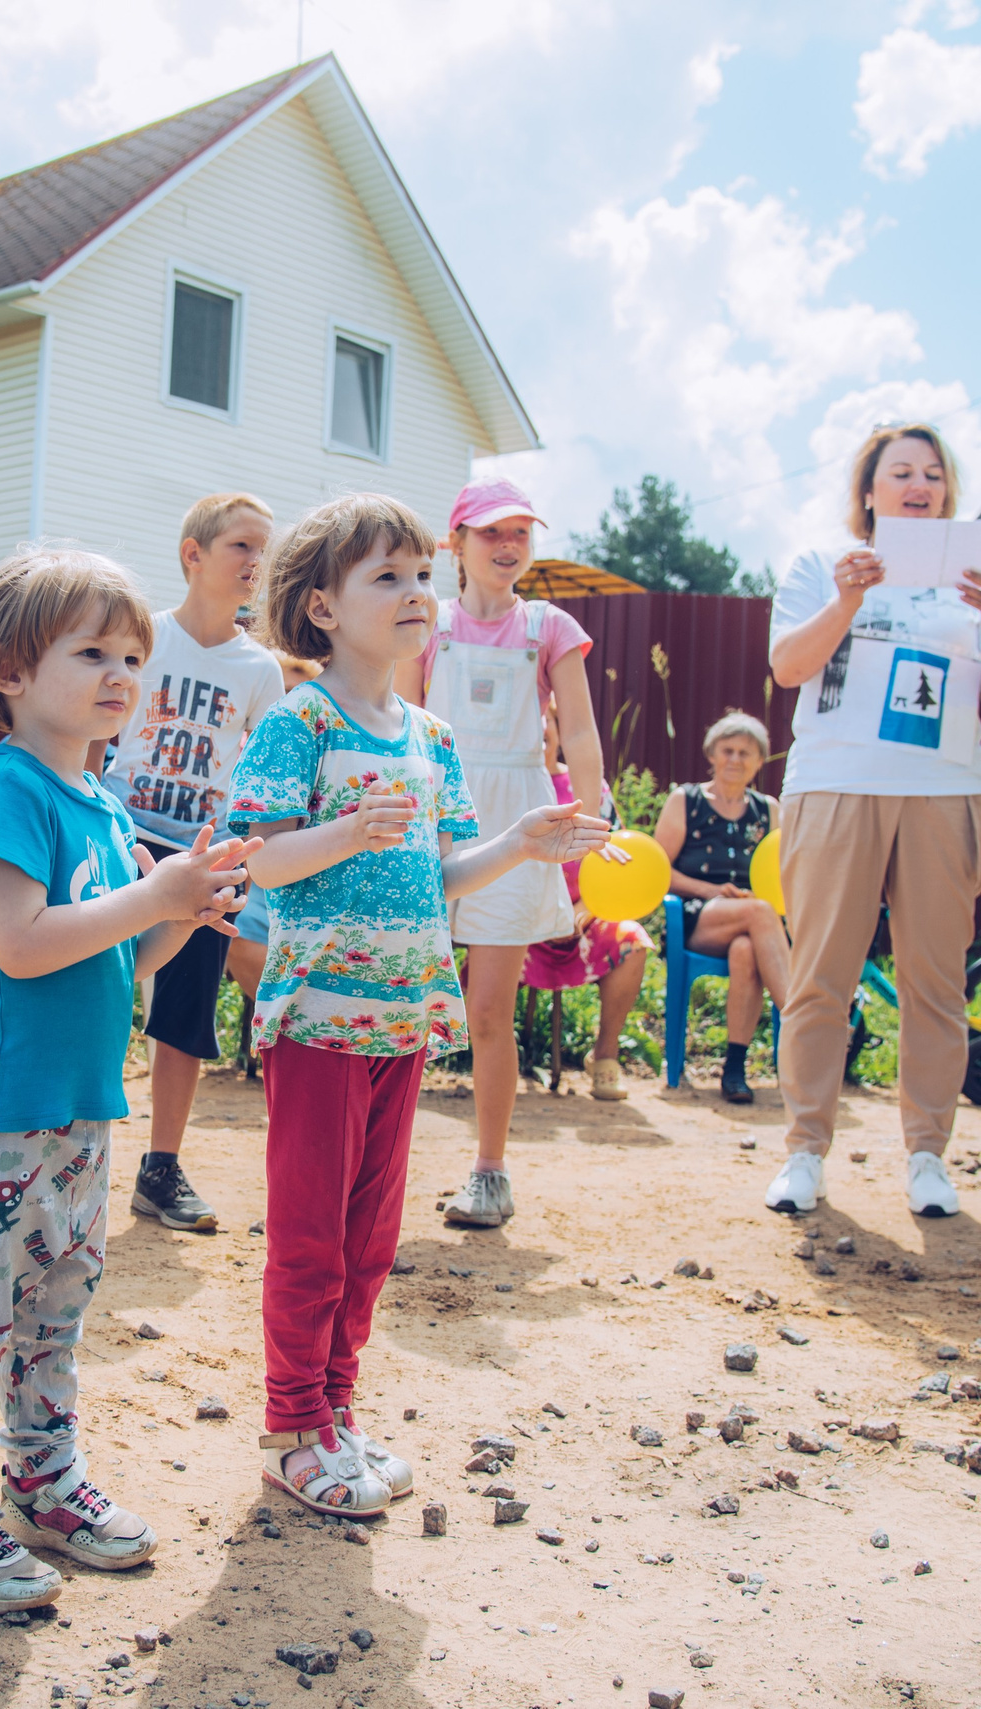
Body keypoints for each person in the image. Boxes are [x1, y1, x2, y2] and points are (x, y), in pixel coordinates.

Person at [0, 548, 250, 1614]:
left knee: (53, 1311)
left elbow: (115, 962)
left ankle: (41, 1484)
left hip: (83, 1113)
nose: (119, 672)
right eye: (90, 650)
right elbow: (21, 942)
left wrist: (176, 914)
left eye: (132, 654)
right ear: (7, 668)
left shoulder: (97, 800)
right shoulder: (10, 790)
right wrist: (153, 896)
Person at [232, 494, 608, 1516]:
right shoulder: (298, 720)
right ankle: (288, 1425)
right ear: (321, 607)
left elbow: (445, 869)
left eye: (419, 575)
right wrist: (348, 830)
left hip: (404, 1018)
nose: (413, 593)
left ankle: (336, 1413)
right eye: (385, 577)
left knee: (369, 1235)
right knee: (310, 1234)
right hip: (316, 1017)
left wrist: (522, 842)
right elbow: (258, 854)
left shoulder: (430, 735)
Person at [762, 423, 981, 1219]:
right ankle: (805, 1152)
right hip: (837, 786)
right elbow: (787, 667)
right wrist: (849, 598)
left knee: (936, 985)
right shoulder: (820, 566)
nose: (919, 484)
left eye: (933, 473)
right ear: (869, 491)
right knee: (820, 980)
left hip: (945, 791)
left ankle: (926, 1158)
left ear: (948, 492)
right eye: (900, 471)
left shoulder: (975, 581)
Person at [396, 476, 605, 1229]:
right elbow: (398, 722)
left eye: (521, 532)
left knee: (489, 1009)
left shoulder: (549, 626)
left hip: (518, 817)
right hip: (431, 814)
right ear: (455, 543)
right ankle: (373, 1170)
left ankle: (490, 1172)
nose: (508, 545)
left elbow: (578, 734)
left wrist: (595, 810)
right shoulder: (428, 622)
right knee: (399, 998)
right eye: (491, 532)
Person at [100, 493, 287, 1231]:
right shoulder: (144, 638)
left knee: (185, 1013)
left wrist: (242, 854)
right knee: (98, 983)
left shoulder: (261, 670)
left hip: (204, 852)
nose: (254, 563)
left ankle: (161, 1166)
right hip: (124, 834)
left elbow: (262, 778)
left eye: (261, 551)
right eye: (241, 546)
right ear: (193, 554)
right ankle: (65, 1138)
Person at [651, 711, 788, 1104]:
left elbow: (781, 871)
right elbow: (659, 871)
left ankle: (734, 1070)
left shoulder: (769, 810)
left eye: (746, 752)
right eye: (727, 750)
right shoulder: (687, 800)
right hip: (697, 915)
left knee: (747, 948)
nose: (735, 759)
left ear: (760, 761)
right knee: (761, 913)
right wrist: (713, 891)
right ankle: (802, 1017)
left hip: (749, 923)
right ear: (712, 754)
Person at [521, 702, 651, 1101]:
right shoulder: (503, 783)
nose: (540, 727)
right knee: (486, 944)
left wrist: (590, 906)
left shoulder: (586, 788)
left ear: (559, 731)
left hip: (582, 918)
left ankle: (606, 1055)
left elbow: (616, 857)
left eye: (548, 720)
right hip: (517, 919)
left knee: (633, 941)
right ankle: (495, 1059)